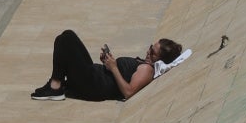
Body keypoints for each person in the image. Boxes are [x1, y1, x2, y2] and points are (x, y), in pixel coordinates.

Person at [32, 34, 184, 102]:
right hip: (96, 76)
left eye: (153, 52)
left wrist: (113, 68)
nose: (148, 51)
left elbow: (128, 92)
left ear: (160, 59)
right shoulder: (144, 64)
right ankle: (56, 84)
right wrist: (108, 63)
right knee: (64, 39)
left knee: (67, 38)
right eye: (151, 47)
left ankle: (55, 86)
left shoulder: (147, 69)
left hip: (95, 85)